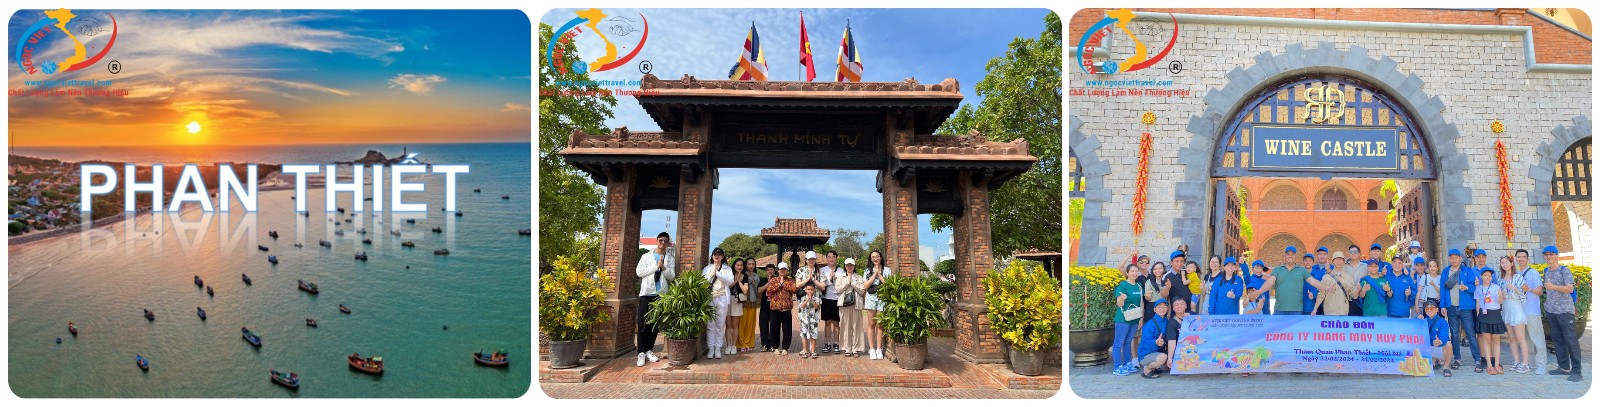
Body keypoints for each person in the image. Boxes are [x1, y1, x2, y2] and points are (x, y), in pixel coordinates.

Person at [633, 232, 677, 366]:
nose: (663, 243)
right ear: (657, 241)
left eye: (665, 241)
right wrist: (656, 266)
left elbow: (672, 277)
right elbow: (639, 272)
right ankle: (641, 352)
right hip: (647, 293)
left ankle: (649, 350)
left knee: (654, 324)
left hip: (660, 295)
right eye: (661, 240)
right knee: (642, 323)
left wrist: (663, 267)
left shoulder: (670, 258)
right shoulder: (646, 256)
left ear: (668, 243)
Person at [1540, 246, 1582, 381]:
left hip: (1565, 311)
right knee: (1557, 340)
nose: (1548, 257)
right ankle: (1564, 367)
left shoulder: (1564, 270)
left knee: (1571, 340)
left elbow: (1570, 288)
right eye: (1546, 254)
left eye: (1551, 254)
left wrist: (1554, 287)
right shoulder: (1546, 271)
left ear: (1557, 255)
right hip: (1551, 311)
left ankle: (1577, 371)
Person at [1442, 249, 1480, 371]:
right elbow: (1443, 289)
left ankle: (1477, 360)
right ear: (1449, 259)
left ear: (1460, 259)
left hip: (1465, 307)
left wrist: (1467, 287)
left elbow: (1474, 287)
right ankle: (1457, 359)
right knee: (1454, 334)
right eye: (1451, 258)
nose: (1454, 260)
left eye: (1456, 257)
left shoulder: (1467, 271)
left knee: (1470, 333)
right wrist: (1443, 305)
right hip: (1451, 307)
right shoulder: (1445, 271)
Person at [1512, 248, 1547, 376]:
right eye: (1519, 257)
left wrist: (1529, 289)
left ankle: (1542, 365)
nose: (1521, 259)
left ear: (1527, 259)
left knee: (1537, 338)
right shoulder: (1515, 274)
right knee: (1525, 339)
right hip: (1519, 312)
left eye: (1523, 257)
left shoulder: (1533, 273)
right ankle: (1529, 363)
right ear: (1515, 259)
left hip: (1531, 310)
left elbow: (1540, 291)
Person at [1497, 255, 1530, 374]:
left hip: (1516, 308)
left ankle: (1525, 363)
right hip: (1506, 309)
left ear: (1511, 264)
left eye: (1507, 262)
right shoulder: (1500, 280)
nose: (1505, 265)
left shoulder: (1518, 277)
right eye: (1502, 263)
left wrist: (1515, 289)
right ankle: (1516, 361)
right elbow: (1499, 300)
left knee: (1521, 338)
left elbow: (1524, 296)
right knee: (1511, 338)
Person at [1113, 263, 1145, 376]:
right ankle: (1117, 367)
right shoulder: (1122, 285)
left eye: (1136, 271)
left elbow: (1141, 302)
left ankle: (1127, 364)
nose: (1135, 273)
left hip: (1134, 318)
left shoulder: (1139, 286)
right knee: (1118, 343)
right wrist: (1122, 299)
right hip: (1123, 319)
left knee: (1128, 341)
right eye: (1132, 271)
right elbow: (1119, 304)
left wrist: (1141, 317)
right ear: (1127, 273)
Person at [703, 248, 735, 359]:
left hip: (722, 297)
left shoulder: (727, 268)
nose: (717, 256)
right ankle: (711, 348)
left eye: (719, 254)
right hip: (710, 297)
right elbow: (704, 282)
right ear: (712, 256)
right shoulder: (707, 268)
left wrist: (717, 273)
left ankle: (718, 348)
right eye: (715, 254)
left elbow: (730, 281)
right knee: (710, 324)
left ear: (722, 256)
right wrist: (712, 273)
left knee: (720, 324)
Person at [1475, 268, 1507, 375]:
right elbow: (1478, 303)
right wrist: (1478, 315)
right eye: (1485, 275)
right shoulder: (1478, 288)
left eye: (1489, 276)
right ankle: (1489, 365)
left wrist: (1500, 296)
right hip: (1484, 315)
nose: (1488, 278)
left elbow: (1500, 302)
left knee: (1496, 340)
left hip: (1495, 314)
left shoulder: (1496, 287)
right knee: (1486, 340)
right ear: (1481, 276)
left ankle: (1497, 364)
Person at [862, 250, 891, 360]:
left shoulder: (887, 270)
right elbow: (865, 285)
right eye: (873, 257)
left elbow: (888, 285)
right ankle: (872, 348)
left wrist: (879, 274)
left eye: (877, 256)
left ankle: (879, 348)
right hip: (871, 297)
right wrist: (874, 274)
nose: (875, 258)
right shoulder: (867, 271)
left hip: (882, 297)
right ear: (870, 259)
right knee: (871, 323)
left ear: (881, 257)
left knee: (880, 324)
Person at [763, 262, 797, 354]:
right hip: (775, 308)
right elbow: (769, 290)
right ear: (778, 270)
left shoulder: (790, 280)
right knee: (774, 328)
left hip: (786, 308)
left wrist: (783, 284)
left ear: (787, 271)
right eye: (781, 269)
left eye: (784, 269)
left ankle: (785, 347)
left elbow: (794, 289)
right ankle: (775, 347)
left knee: (787, 329)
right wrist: (779, 284)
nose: (782, 271)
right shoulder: (773, 280)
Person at [835, 257, 865, 357]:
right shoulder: (841, 277)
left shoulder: (859, 277)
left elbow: (862, 291)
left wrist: (853, 284)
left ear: (854, 266)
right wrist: (847, 282)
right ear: (845, 266)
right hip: (844, 304)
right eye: (848, 265)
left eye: (851, 265)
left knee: (857, 326)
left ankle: (856, 349)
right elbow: (838, 290)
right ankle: (847, 348)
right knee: (845, 326)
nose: (849, 267)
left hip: (856, 304)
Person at [1313, 252, 1355, 316]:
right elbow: (1321, 294)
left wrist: (1359, 289)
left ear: (1344, 261)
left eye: (1340, 259)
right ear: (1333, 261)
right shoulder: (1326, 277)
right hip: (1329, 312)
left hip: (1343, 312)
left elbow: (1353, 294)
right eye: (1336, 259)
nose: (1339, 261)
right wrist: (1315, 308)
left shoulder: (1348, 278)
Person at [1138, 299, 1171, 379]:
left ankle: (1155, 368)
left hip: (1158, 351)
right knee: (1163, 357)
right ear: (1154, 310)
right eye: (1159, 307)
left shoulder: (1166, 321)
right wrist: (1155, 342)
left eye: (1165, 307)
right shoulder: (1150, 324)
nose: (1162, 309)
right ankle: (1147, 369)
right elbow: (1145, 342)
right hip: (1146, 354)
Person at [1422, 299, 1455, 377]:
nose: (1429, 310)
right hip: (1428, 348)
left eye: (1431, 308)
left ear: (1437, 310)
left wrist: (1440, 341)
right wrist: (1417, 320)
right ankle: (1433, 361)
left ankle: (1446, 367)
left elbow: (1444, 336)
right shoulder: (1423, 321)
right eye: (1427, 309)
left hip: (1439, 348)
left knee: (1448, 345)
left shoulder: (1442, 322)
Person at [736, 259, 762, 352]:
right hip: (743, 302)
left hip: (752, 302)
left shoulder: (756, 276)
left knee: (751, 324)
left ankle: (749, 343)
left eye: (753, 264)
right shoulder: (743, 275)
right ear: (746, 265)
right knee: (741, 324)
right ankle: (741, 343)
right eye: (749, 264)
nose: (751, 266)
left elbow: (758, 290)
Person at [724, 258, 747, 355]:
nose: (739, 267)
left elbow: (745, 290)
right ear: (734, 266)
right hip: (727, 300)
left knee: (735, 325)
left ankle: (734, 345)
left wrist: (739, 281)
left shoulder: (745, 276)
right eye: (737, 265)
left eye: (741, 265)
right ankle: (728, 345)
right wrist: (735, 280)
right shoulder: (729, 275)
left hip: (737, 301)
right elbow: (726, 287)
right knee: (728, 324)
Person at [820, 251, 841, 354]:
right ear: (826, 258)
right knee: (827, 322)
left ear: (836, 258)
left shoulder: (841, 271)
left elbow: (842, 285)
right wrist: (829, 279)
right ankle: (827, 343)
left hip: (837, 299)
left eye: (833, 257)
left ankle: (836, 343)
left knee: (836, 322)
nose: (831, 259)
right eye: (829, 257)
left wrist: (835, 280)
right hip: (826, 299)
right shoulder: (822, 270)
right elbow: (821, 285)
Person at [1384, 254, 1416, 319]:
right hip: (1389, 313)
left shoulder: (1407, 277)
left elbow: (1414, 291)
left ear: (1402, 265)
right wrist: (1387, 291)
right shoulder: (1386, 276)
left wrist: (1410, 292)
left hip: (1404, 313)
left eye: (1399, 263)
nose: (1397, 265)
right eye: (1394, 262)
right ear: (1391, 264)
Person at [797, 281, 822, 359]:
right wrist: (808, 299)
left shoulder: (817, 298)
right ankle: (805, 350)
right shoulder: (803, 298)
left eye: (811, 289)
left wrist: (812, 299)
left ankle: (813, 351)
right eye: (808, 289)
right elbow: (801, 306)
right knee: (804, 335)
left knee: (813, 335)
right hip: (804, 320)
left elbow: (816, 307)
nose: (810, 291)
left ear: (814, 290)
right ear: (805, 290)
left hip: (813, 320)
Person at [1305, 247, 1331, 315]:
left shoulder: (1332, 268)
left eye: (1324, 254)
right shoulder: (1312, 268)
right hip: (1313, 301)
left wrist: (1328, 270)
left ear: (1328, 255)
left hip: (1327, 301)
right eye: (1320, 254)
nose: (1322, 256)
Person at [758, 263, 776, 352]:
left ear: (774, 271)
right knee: (763, 326)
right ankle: (764, 344)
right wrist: (768, 283)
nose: (770, 271)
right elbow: (759, 290)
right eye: (768, 270)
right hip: (764, 306)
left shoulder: (777, 280)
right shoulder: (763, 280)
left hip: (774, 307)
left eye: (771, 270)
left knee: (773, 326)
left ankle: (773, 344)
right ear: (766, 271)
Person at [1344, 246, 1366, 315]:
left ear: (1359, 254)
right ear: (1348, 254)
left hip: (1361, 299)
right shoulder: (1343, 266)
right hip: (1347, 299)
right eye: (1351, 252)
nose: (1353, 253)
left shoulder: (1365, 266)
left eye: (1355, 252)